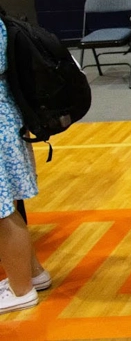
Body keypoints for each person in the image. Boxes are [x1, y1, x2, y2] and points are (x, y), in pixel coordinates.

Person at [0, 20, 49, 314]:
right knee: (8, 206)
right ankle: (32, 273)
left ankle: (21, 290)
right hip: (7, 118)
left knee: (2, 212)